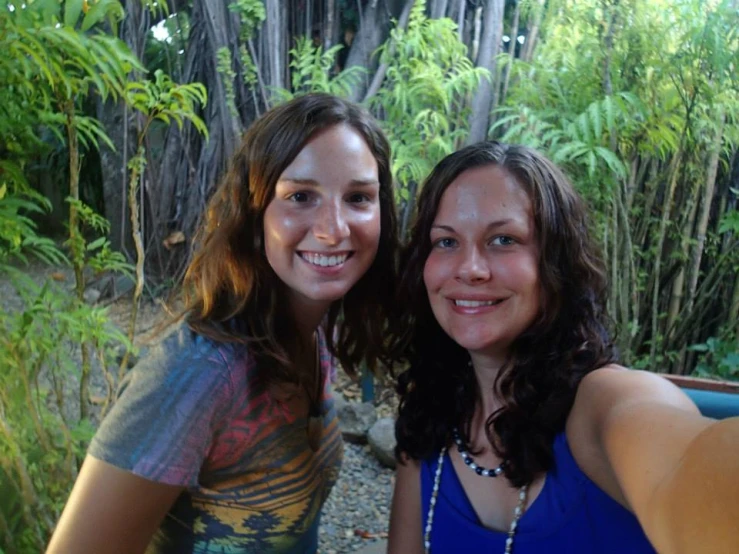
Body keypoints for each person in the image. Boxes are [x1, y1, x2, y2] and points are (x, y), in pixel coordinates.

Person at [46, 93, 399, 554]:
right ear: (255, 215)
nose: (333, 228)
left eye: (358, 197)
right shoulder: (200, 372)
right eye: (300, 196)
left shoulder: (313, 332)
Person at [387, 141, 739, 554]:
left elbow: (693, 468)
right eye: (446, 242)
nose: (470, 268)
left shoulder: (602, 403)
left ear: (557, 264)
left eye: (503, 239)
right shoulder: (430, 414)